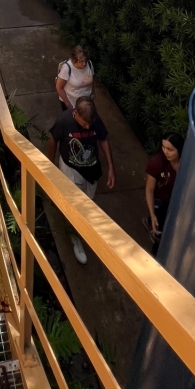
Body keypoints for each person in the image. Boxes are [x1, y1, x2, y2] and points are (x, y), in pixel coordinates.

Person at [47, 96, 115, 264]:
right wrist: (50, 166)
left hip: (91, 169)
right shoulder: (63, 121)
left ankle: (84, 227)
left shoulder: (94, 121)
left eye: (89, 125)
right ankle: (75, 238)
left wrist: (111, 168)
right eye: (84, 124)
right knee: (74, 205)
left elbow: (103, 140)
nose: (87, 127)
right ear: (75, 113)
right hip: (71, 169)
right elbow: (53, 140)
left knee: (88, 202)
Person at [143, 132, 184, 255]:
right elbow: (149, 190)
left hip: (178, 201)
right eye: (163, 147)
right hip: (162, 203)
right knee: (160, 236)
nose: (165, 152)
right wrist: (153, 213)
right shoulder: (157, 162)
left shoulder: (187, 163)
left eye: (170, 149)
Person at [56, 45, 94, 111]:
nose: (84, 64)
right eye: (81, 61)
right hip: (72, 103)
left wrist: (93, 93)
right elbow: (59, 87)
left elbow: (92, 80)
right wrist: (68, 104)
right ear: (74, 60)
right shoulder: (67, 68)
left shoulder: (89, 64)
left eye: (85, 60)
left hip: (86, 101)